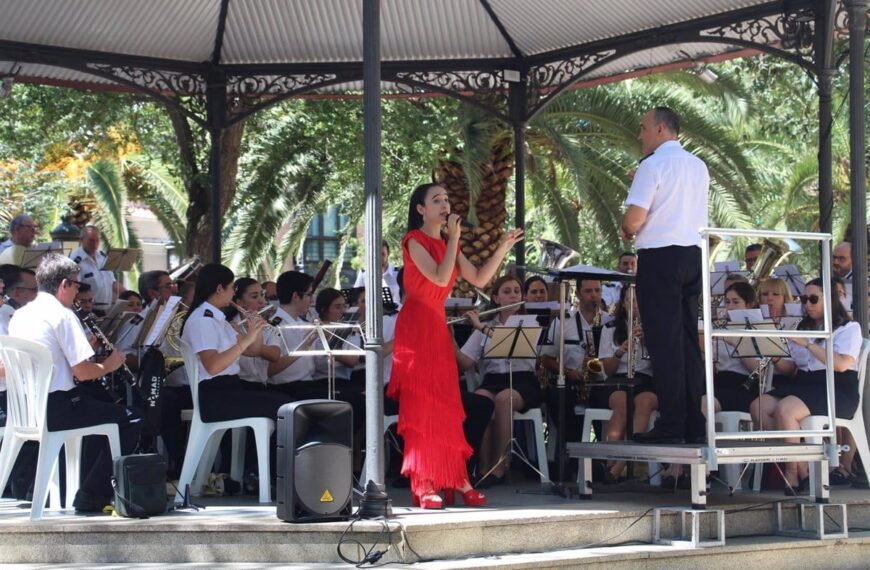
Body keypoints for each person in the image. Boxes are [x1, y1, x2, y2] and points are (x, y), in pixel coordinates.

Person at [388, 182, 523, 509]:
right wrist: (453, 240)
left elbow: (477, 278)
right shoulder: (413, 241)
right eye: (437, 200)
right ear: (421, 209)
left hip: (436, 326)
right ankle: (424, 481)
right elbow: (438, 277)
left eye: (447, 198)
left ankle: (456, 478)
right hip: (417, 325)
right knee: (423, 405)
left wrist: (502, 248)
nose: (445, 204)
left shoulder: (448, 242)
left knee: (447, 407)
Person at [8, 253, 141, 512]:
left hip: (26, 408)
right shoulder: (63, 315)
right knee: (131, 418)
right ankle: (92, 495)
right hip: (57, 409)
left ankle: (88, 490)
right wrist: (110, 365)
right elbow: (83, 373)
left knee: (98, 411)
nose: (77, 292)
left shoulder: (21, 315)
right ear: (64, 284)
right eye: (77, 285)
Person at [620, 106, 709, 444]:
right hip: (692, 253)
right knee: (686, 339)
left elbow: (633, 221)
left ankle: (672, 423)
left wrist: (625, 224)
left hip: (660, 257)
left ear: (660, 129)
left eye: (642, 128)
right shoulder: (698, 166)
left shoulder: (652, 164)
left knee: (664, 341)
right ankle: (692, 422)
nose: (639, 135)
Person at [749, 278, 863, 495]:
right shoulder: (802, 326)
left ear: (829, 300)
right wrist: (772, 352)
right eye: (804, 299)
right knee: (759, 406)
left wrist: (808, 344)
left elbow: (840, 365)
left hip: (835, 388)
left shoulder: (849, 328)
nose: (807, 304)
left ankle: (792, 473)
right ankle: (803, 469)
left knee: (786, 410)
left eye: (813, 299)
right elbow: (791, 369)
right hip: (804, 384)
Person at [179, 263, 289, 426]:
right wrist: (246, 340)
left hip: (231, 388)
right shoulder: (203, 320)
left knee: (289, 404)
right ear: (219, 289)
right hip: (215, 396)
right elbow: (213, 366)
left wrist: (255, 330)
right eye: (231, 288)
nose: (233, 293)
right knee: (286, 409)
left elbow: (253, 350)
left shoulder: (218, 319)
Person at [457, 275, 542, 485]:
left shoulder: (530, 322)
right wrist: (448, 337)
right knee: (480, 401)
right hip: (492, 381)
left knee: (504, 399)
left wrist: (480, 328)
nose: (513, 295)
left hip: (523, 381)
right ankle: (483, 466)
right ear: (496, 298)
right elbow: (465, 363)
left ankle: (500, 465)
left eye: (516, 291)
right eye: (507, 292)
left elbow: (507, 341)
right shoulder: (483, 325)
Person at [594, 284, 657, 482]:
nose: (636, 305)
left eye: (640, 300)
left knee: (645, 402)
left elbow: (665, 367)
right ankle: (611, 460)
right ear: (624, 304)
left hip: (646, 380)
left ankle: (618, 464)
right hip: (619, 380)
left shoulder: (657, 327)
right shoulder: (610, 329)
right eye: (632, 300)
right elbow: (608, 369)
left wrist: (652, 343)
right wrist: (620, 350)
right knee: (622, 401)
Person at [704, 282, 762, 415]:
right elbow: (713, 369)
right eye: (727, 302)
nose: (730, 307)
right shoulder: (721, 329)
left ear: (749, 304)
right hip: (719, 383)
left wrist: (737, 344)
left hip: (743, 386)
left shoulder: (758, 329)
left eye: (736, 302)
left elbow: (758, 371)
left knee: (705, 405)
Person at [70, 226, 117, 314]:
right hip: (87, 311)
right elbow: (73, 288)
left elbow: (113, 283)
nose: (95, 244)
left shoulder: (103, 258)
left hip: (107, 311)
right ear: (81, 240)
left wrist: (129, 294)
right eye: (91, 240)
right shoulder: (75, 261)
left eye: (97, 240)